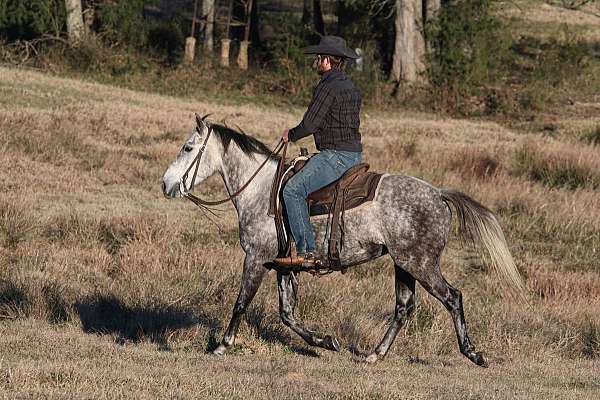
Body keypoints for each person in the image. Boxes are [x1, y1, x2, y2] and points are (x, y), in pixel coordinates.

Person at [274, 36, 362, 268]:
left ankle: (307, 251)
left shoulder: (327, 87)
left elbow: (310, 124)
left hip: (335, 156)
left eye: (319, 57)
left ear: (327, 60)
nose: (316, 61)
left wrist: (290, 135)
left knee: (292, 190)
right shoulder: (351, 86)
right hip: (354, 154)